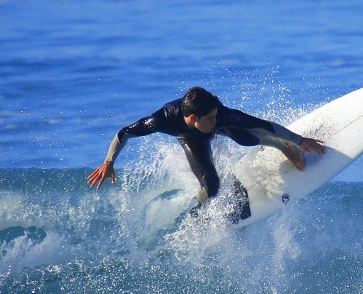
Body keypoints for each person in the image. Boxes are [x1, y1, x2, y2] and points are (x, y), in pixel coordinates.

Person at [88, 87, 325, 209]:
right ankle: (200, 209)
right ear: (192, 118)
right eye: (210, 118)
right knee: (211, 184)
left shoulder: (219, 116)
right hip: (190, 139)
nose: (216, 120)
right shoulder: (161, 120)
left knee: (247, 137)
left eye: (215, 115)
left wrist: (297, 140)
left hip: (208, 130)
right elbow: (125, 132)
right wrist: (109, 161)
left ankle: (277, 146)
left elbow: (261, 124)